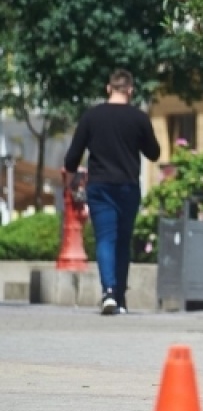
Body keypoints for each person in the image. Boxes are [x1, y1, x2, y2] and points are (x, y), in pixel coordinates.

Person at [62, 69, 161, 315]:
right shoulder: (139, 118)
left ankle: (108, 292)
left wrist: (72, 176)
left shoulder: (91, 117)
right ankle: (120, 297)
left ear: (109, 88)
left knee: (105, 238)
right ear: (130, 90)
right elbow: (154, 153)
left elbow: (72, 158)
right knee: (123, 241)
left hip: (100, 186)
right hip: (128, 186)